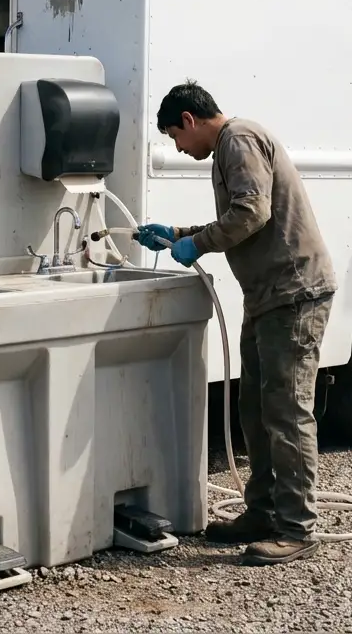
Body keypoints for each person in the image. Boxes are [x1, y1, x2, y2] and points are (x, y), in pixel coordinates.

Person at [135, 81, 338, 566]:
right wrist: (179, 234)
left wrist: (197, 244)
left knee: (287, 412)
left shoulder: (238, 140)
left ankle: (297, 528)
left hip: (293, 294)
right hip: (269, 297)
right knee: (255, 408)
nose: (178, 149)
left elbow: (252, 212)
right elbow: (241, 215)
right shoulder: (232, 144)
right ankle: (263, 512)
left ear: (189, 120)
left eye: (175, 137)